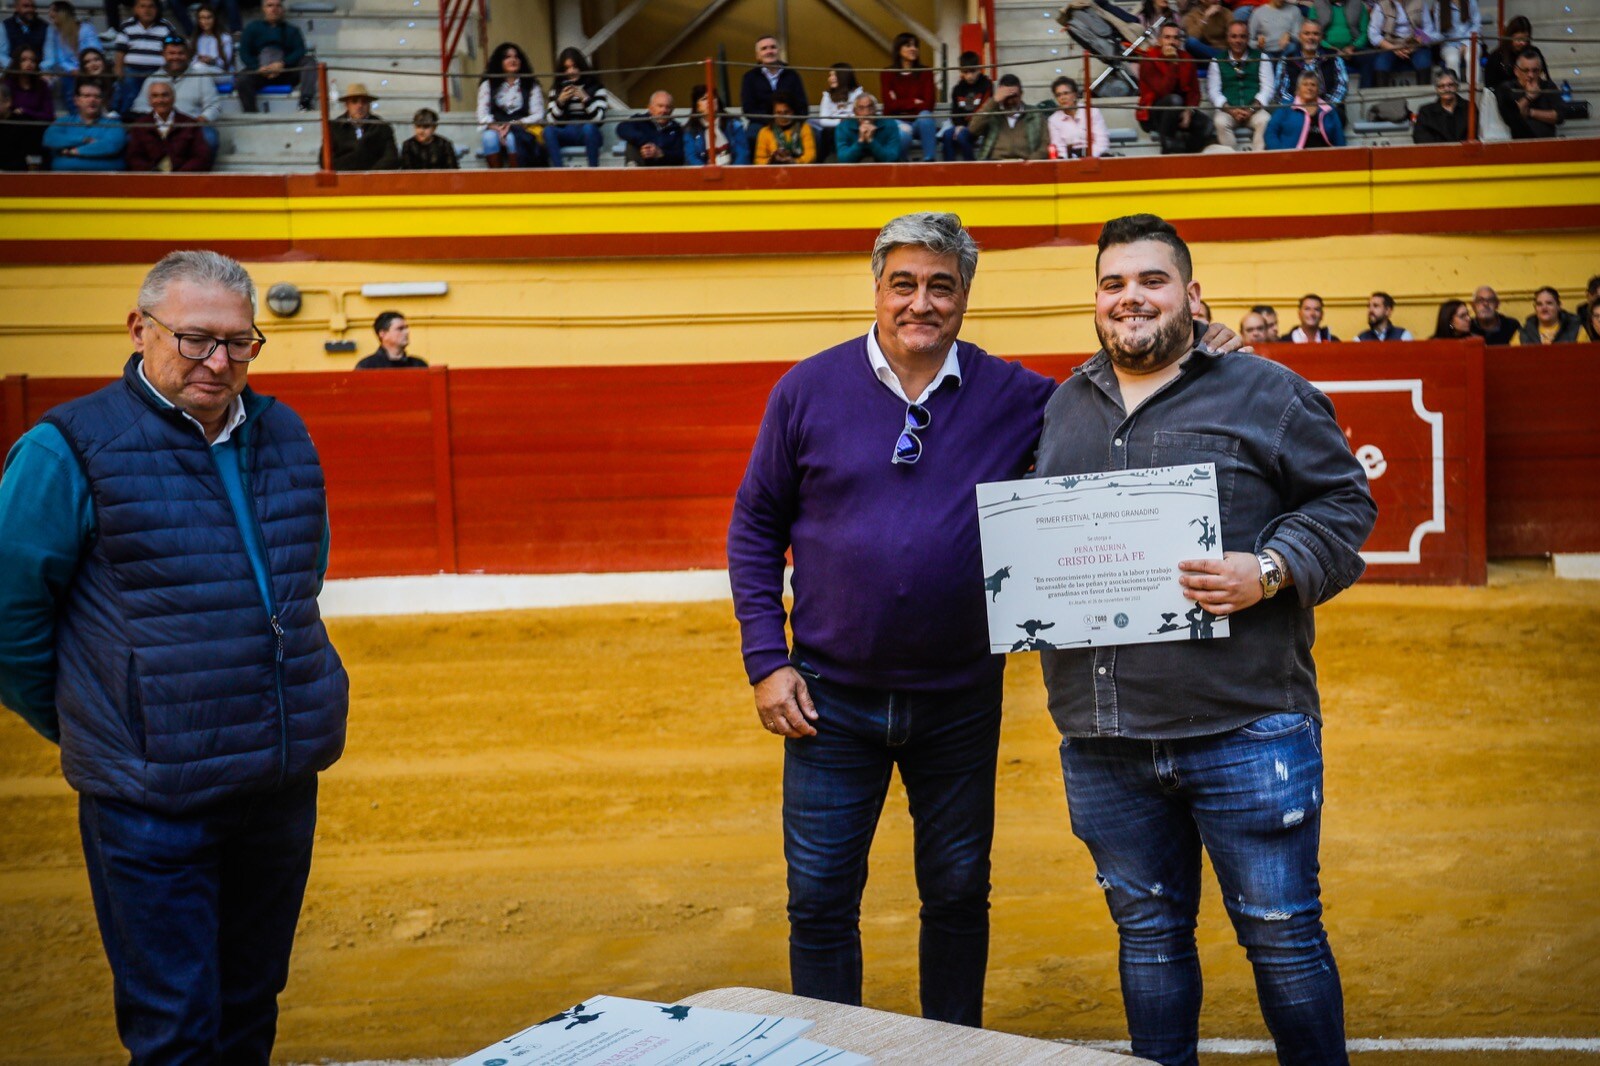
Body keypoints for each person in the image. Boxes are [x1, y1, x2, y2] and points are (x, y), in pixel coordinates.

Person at [1034, 211, 1375, 1066]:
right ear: (1097, 299)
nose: (1130, 297)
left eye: (1151, 279)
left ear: (1191, 291)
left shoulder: (1268, 390)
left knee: (1282, 938)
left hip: (1245, 724)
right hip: (1105, 734)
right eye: (1113, 283)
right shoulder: (1064, 405)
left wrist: (1266, 570)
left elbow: (1344, 507)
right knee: (1147, 939)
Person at [0, 249, 348, 1066]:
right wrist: (105, 718)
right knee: (175, 1032)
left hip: (276, 782)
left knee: (250, 1007)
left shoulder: (283, 431)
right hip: (151, 801)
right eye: (194, 339)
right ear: (140, 329)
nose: (218, 362)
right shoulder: (67, 447)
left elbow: (300, 581)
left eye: (239, 342)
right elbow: (10, 617)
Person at [726, 212, 1061, 1028]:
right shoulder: (807, 388)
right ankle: (833, 1049)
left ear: (965, 297)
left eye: (940, 286)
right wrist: (768, 660)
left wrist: (1205, 347)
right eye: (904, 283)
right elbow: (755, 526)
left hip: (959, 699)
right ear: (876, 289)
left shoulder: (1017, 396)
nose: (921, 303)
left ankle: (951, 1046)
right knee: (819, 897)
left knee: (955, 892)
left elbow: (1122, 406)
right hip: (826, 700)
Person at [133, 36, 220, 152]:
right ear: (163, 55)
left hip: (192, 126)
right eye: (171, 53)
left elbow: (214, 106)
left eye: (181, 53)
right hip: (159, 127)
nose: (176, 57)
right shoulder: (153, 79)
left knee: (210, 138)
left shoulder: (201, 76)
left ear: (188, 55)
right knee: (131, 138)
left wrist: (199, 121)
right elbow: (140, 106)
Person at [1137, 23, 1214, 154]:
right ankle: (1167, 149)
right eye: (1167, 37)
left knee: (1207, 125)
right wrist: (1173, 63)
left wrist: (1189, 111)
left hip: (1180, 109)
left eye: (1175, 38)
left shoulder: (1186, 58)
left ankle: (1185, 153)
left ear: (1179, 41)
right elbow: (1163, 91)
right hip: (1153, 113)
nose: (1172, 42)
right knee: (1174, 100)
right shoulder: (1149, 59)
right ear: (1159, 40)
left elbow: (1195, 92)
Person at [236, 0, 314, 113]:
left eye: (278, 5)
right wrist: (258, 67)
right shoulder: (252, 28)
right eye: (270, 5)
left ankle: (305, 103)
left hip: (286, 72)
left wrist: (283, 64)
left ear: (282, 9)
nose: (274, 9)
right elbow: (244, 53)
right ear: (263, 8)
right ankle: (251, 114)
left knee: (309, 62)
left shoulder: (292, 30)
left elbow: (299, 50)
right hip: (260, 73)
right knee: (242, 79)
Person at [1206, 19, 1272, 150]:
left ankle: (1258, 159)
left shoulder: (1262, 57)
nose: (1238, 40)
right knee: (1220, 122)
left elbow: (1268, 88)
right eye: (1234, 36)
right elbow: (1214, 91)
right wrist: (1231, 110)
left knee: (1266, 120)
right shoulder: (1217, 61)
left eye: (1242, 36)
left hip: (1254, 110)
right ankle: (1232, 159)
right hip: (1229, 111)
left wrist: (1251, 109)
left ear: (1248, 38)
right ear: (1228, 38)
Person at [477, 41, 544, 168]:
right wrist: (498, 128)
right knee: (488, 138)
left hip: (521, 128)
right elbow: (482, 114)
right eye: (507, 57)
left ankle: (515, 179)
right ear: (499, 61)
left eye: (516, 56)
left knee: (513, 139)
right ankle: (496, 180)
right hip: (496, 127)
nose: (513, 60)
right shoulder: (488, 84)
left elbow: (538, 114)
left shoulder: (530, 84)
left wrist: (514, 124)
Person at [125, 73, 211, 170]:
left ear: (174, 98)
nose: (160, 100)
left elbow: (201, 156)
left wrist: (179, 177)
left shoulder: (189, 124)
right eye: (155, 96)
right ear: (149, 100)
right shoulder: (140, 125)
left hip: (183, 180)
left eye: (165, 95)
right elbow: (134, 157)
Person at [740, 34, 808, 154]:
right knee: (749, 137)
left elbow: (803, 106)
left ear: (779, 51)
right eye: (764, 48)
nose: (769, 51)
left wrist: (787, 120)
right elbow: (748, 109)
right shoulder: (749, 78)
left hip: (791, 121)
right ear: (757, 55)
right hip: (762, 123)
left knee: (815, 135)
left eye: (772, 47)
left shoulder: (793, 75)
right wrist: (773, 120)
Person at [545, 46, 607, 169]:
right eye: (567, 68)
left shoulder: (596, 87)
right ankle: (559, 171)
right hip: (566, 131)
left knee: (589, 128)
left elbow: (599, 119)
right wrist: (560, 102)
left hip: (589, 131)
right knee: (548, 131)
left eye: (574, 67)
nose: (571, 71)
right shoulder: (556, 89)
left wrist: (585, 99)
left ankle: (592, 171)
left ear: (581, 67)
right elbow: (550, 120)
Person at [880, 31, 938, 162]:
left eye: (915, 46)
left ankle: (930, 160)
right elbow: (889, 106)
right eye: (908, 45)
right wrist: (914, 101)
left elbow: (928, 105)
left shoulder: (926, 72)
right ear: (898, 49)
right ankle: (903, 165)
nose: (913, 49)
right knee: (903, 133)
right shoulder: (888, 74)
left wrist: (900, 104)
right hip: (897, 122)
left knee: (926, 116)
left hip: (919, 122)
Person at [110, 0, 175, 114]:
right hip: (132, 71)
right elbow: (120, 53)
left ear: (157, 9)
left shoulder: (166, 27)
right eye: (142, 6)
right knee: (127, 84)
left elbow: (172, 50)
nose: (147, 10)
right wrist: (118, 71)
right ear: (135, 9)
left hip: (157, 71)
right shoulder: (126, 26)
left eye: (151, 6)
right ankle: (123, 116)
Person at [42, 77, 122, 167]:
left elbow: (111, 146)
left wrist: (73, 151)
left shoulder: (113, 124)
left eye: (97, 96)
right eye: (86, 96)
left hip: (106, 178)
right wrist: (84, 140)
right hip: (65, 178)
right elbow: (50, 139)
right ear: (76, 100)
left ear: (102, 101)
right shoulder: (63, 122)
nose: (92, 100)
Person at [970, 73, 1049, 161]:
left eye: (1014, 96)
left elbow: (1045, 144)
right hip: (995, 165)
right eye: (1006, 97)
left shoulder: (1035, 114)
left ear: (1021, 94)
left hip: (1026, 165)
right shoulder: (992, 113)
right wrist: (994, 101)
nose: (1010, 101)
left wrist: (1032, 161)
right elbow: (973, 129)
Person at [1273, 20, 1348, 109]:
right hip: (1295, 112)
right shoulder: (1287, 60)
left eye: (1315, 34)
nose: (1311, 37)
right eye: (1307, 33)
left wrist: (1324, 108)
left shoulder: (1333, 57)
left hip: (1328, 110)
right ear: (1299, 36)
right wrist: (1299, 109)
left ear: (1321, 37)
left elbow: (1342, 86)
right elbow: (1281, 92)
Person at [1494, 47, 1561, 140]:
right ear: (1516, 71)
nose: (1531, 75)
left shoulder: (1548, 86)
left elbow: (1559, 116)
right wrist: (1529, 97)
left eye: (1535, 70)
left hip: (1546, 143)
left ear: (1541, 71)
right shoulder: (1506, 88)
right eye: (1526, 70)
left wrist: (1530, 112)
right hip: (1517, 145)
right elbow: (1511, 117)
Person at [328, 82, 397, 171]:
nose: (359, 106)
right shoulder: (334, 127)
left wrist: (369, 175)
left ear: (369, 105)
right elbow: (326, 160)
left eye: (364, 102)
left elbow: (391, 158)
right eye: (354, 101)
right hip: (345, 181)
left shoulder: (382, 127)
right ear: (347, 105)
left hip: (375, 181)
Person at [1369, 0, 1436, 86]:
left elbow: (1429, 29)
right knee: (1381, 64)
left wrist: (1414, 45)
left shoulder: (1419, 3)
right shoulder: (1382, 5)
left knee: (1424, 62)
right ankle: (1383, 98)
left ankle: (1423, 98)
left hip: (1415, 44)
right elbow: (1373, 34)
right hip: (1391, 45)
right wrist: (1393, 48)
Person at [4, 44, 51, 163]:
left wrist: (26, 111)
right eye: (24, 60)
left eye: (33, 60)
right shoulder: (7, 84)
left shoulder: (42, 86)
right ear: (16, 62)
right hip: (12, 129)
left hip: (37, 129)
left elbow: (49, 115)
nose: (29, 64)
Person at [939, 52, 990, 162]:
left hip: (980, 126)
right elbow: (955, 111)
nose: (969, 76)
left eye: (972, 71)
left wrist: (965, 127)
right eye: (965, 72)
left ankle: (971, 166)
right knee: (947, 135)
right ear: (961, 71)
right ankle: (949, 168)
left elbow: (985, 109)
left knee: (961, 136)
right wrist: (959, 125)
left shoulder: (986, 85)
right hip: (962, 126)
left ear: (979, 69)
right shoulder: (958, 89)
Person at [683, 84, 749, 166]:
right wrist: (707, 172)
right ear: (697, 107)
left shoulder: (734, 124)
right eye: (704, 99)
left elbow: (742, 154)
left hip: (733, 173)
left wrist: (733, 174)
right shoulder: (691, 130)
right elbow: (691, 158)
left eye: (713, 97)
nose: (710, 101)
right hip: (704, 175)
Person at [616, 90, 684, 167]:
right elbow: (621, 128)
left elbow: (680, 155)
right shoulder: (640, 120)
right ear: (650, 108)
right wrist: (645, 142)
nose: (664, 110)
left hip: (666, 170)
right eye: (660, 106)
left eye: (668, 107)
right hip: (641, 168)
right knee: (631, 140)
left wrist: (661, 153)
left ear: (672, 110)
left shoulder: (677, 129)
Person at [1311, 0, 1370, 87]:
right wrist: (1330, 48)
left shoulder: (1358, 5)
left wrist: (1352, 47)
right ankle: (1327, 94)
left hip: (1352, 49)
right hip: (1326, 48)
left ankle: (1366, 95)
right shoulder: (1317, 5)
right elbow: (1312, 32)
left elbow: (1365, 33)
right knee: (1319, 59)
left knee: (1367, 58)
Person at [1047, 76, 1108, 158]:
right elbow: (1059, 147)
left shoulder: (1092, 112)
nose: (1063, 98)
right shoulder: (1053, 120)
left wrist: (1086, 156)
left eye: (1066, 93)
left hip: (1094, 157)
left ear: (1075, 94)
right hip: (1069, 161)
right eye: (1058, 95)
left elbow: (1102, 142)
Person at [833, 91, 901, 163]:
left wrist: (871, 141)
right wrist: (860, 141)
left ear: (876, 109)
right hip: (853, 170)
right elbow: (844, 159)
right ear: (854, 111)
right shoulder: (843, 127)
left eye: (870, 107)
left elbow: (892, 158)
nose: (866, 113)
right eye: (861, 108)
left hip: (884, 169)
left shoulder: (889, 124)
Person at [815, 62, 864, 161]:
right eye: (830, 75)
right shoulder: (827, 96)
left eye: (834, 75)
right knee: (827, 132)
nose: (830, 78)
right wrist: (840, 122)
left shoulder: (858, 94)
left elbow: (859, 117)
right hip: (833, 131)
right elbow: (823, 120)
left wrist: (845, 122)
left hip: (853, 129)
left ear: (844, 76)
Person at [754, 91, 815, 165]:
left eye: (786, 112)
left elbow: (811, 156)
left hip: (800, 170)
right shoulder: (765, 132)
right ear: (772, 113)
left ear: (793, 112)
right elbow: (759, 160)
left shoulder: (804, 128)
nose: (783, 117)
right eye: (778, 113)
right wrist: (772, 160)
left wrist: (793, 161)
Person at [1412, 69, 1469, 144]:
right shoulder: (1426, 112)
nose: (1446, 89)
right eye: (1441, 86)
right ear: (1437, 89)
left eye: (1450, 85)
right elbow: (1420, 138)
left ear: (1457, 86)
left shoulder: (1469, 107)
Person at [356, 310, 427, 368]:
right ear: (383, 334)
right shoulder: (367, 366)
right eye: (400, 328)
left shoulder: (418, 365)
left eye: (406, 328)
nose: (407, 332)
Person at [1512, 286, 1581, 345]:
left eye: (1549, 303)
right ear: (1535, 308)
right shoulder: (1522, 335)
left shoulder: (1577, 330)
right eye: (1539, 304)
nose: (1544, 308)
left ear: (1559, 306)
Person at [1430, 0, 1481, 78]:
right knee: (1452, 59)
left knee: (1471, 56)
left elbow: (1476, 25)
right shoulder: (1439, 5)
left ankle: (1473, 88)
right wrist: (1429, 38)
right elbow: (1439, 32)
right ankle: (1454, 87)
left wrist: (1465, 43)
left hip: (1471, 40)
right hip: (1449, 43)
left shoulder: (1471, 2)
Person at [1483, 15, 1531, 90]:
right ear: (1510, 37)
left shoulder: (1532, 53)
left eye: (1526, 39)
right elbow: (1490, 87)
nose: (1523, 43)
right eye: (1519, 39)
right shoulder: (1496, 58)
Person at [188, 3, 234, 78]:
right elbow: (191, 61)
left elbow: (226, 62)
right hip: (200, 71)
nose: (205, 21)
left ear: (214, 19)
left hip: (221, 73)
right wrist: (201, 59)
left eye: (208, 18)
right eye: (202, 18)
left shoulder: (225, 37)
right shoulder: (196, 38)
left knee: (198, 69)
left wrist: (211, 61)